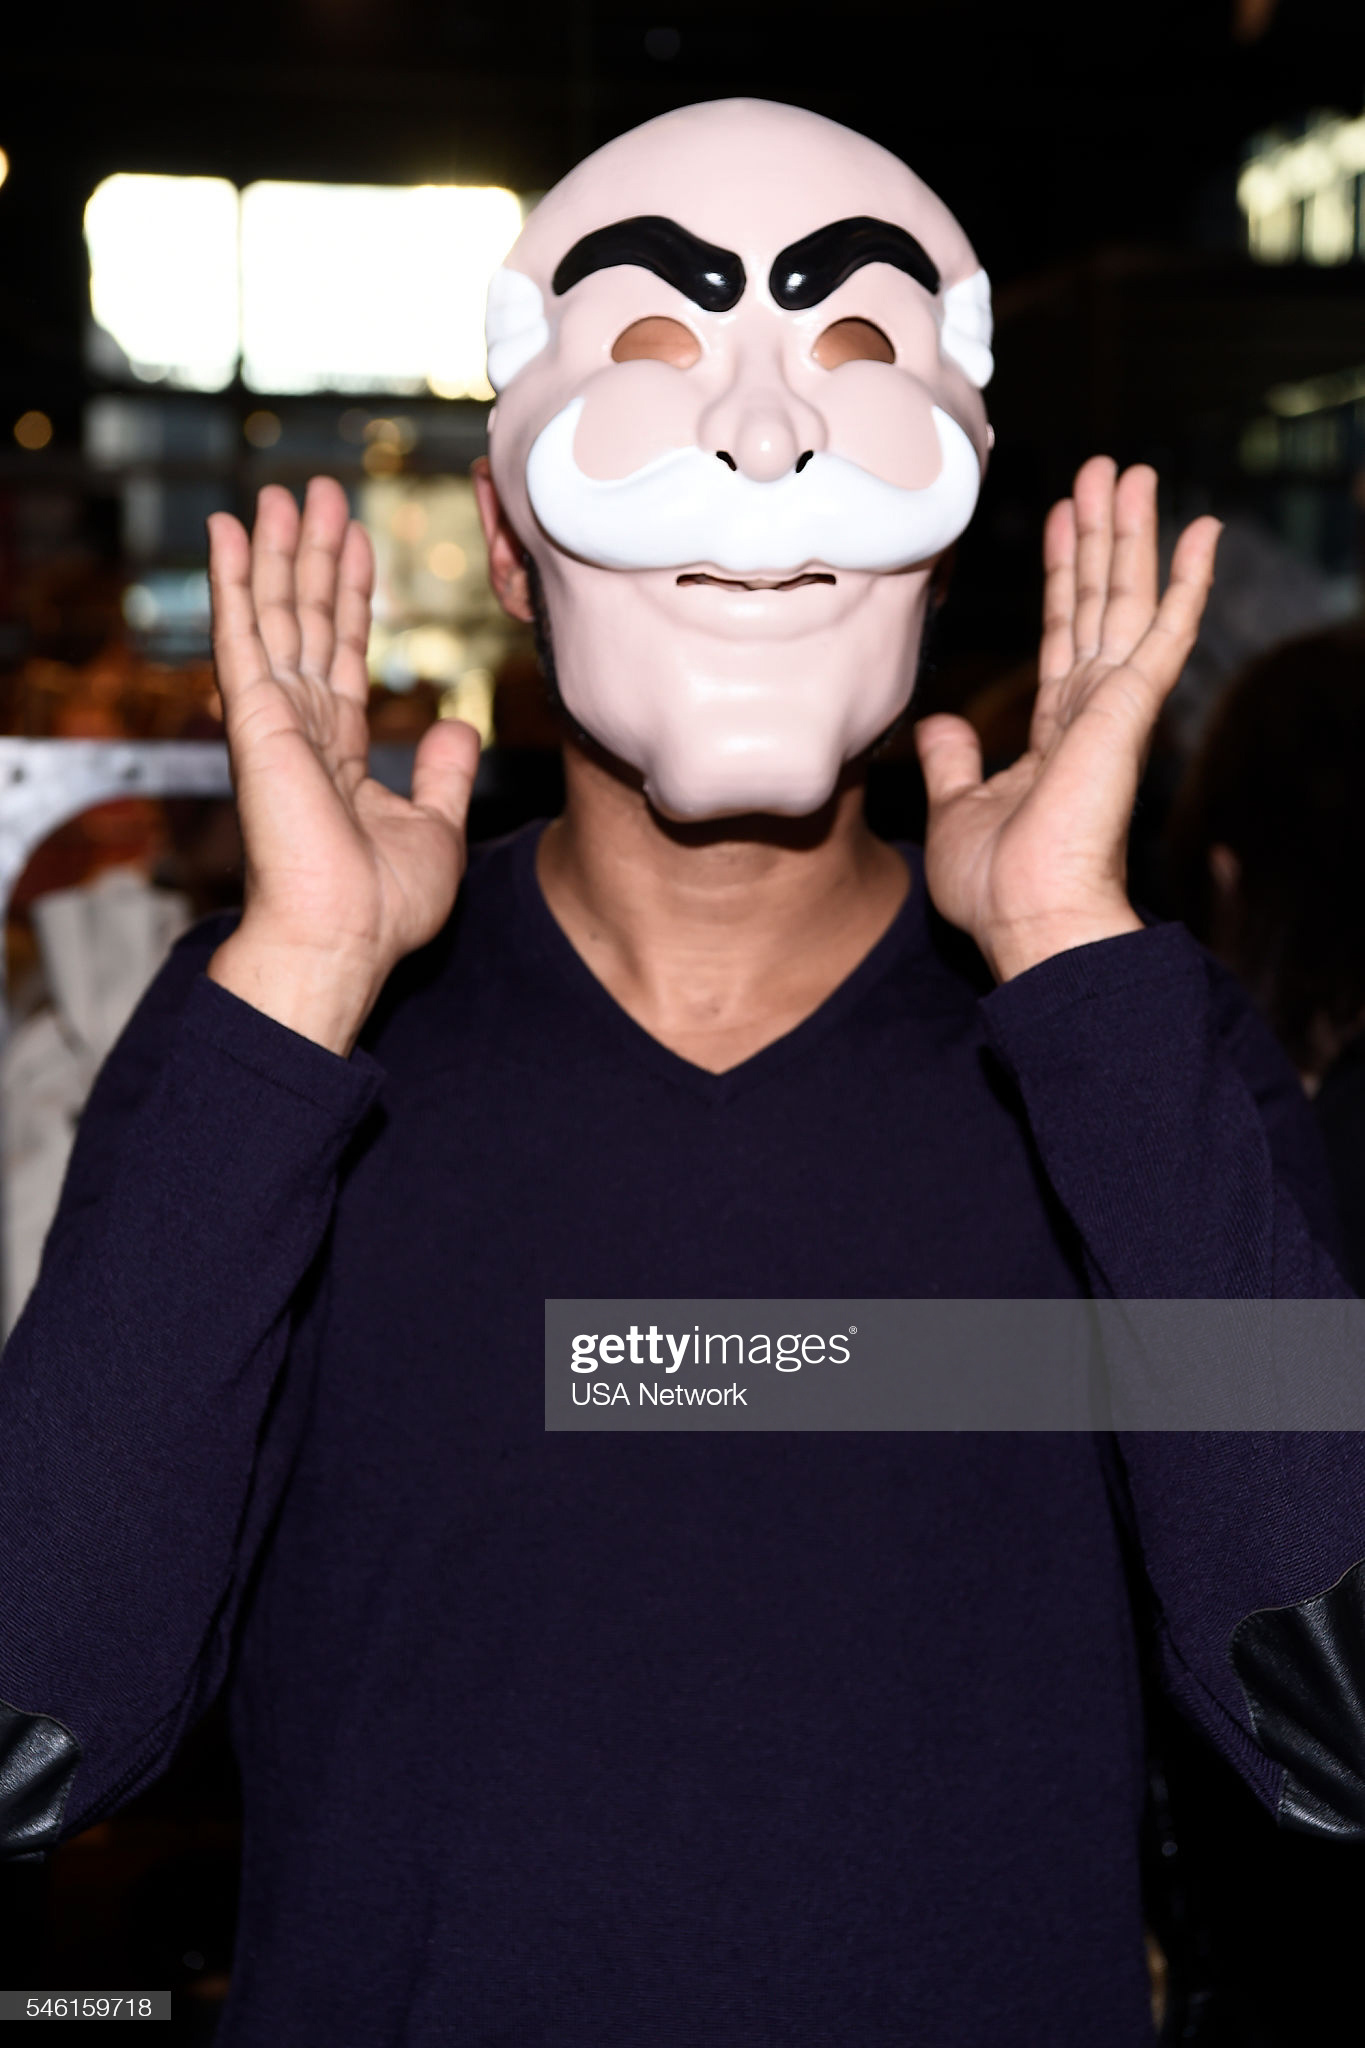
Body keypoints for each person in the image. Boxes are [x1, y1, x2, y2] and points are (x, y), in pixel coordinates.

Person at [1, 98, 1363, 2048]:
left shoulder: (1133, 1062)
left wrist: (1068, 948)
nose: (756, 435)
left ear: (959, 502)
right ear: (498, 526)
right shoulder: (287, 1058)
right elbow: (33, 1720)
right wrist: (296, 973)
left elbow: (1330, 1718)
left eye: (849, 355)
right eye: (651, 353)